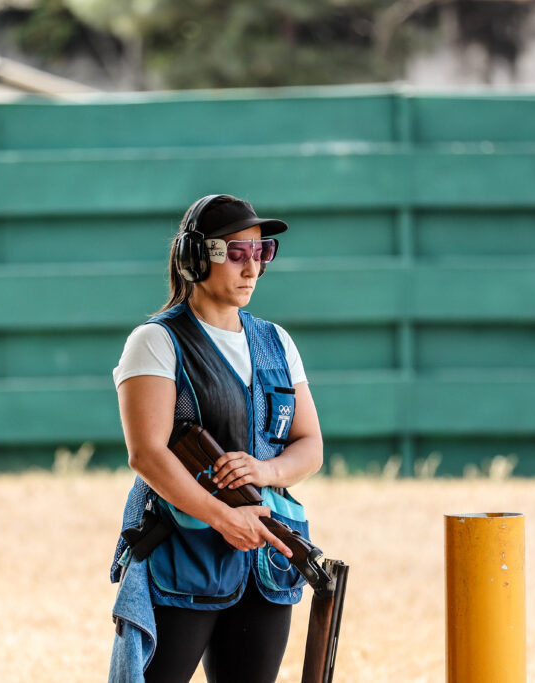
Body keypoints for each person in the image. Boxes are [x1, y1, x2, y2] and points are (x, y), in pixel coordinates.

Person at [107, 194, 324, 683]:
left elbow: (310, 445)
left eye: (261, 252)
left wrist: (265, 471)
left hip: (265, 563)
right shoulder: (157, 341)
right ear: (195, 258)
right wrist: (224, 519)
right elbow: (147, 455)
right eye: (236, 253)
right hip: (183, 558)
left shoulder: (277, 341)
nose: (252, 268)